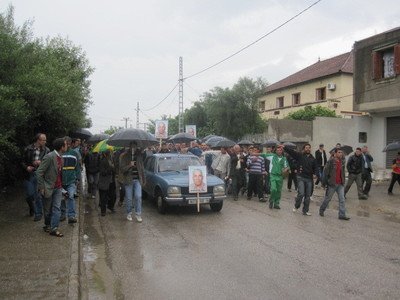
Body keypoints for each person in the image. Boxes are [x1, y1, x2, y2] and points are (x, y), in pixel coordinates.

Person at [36, 138, 68, 237]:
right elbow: (39, 172)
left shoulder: (61, 157)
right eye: (66, 145)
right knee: (47, 211)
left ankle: (54, 228)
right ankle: (47, 225)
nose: (67, 146)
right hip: (48, 187)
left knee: (56, 208)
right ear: (62, 147)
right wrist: (42, 187)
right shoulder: (49, 157)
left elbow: (59, 173)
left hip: (58, 188)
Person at [21, 133, 50, 221]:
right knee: (29, 195)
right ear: (38, 140)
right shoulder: (28, 149)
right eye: (43, 140)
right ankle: (32, 208)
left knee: (38, 195)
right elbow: (21, 161)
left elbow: (49, 162)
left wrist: (41, 162)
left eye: (45, 140)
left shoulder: (47, 150)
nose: (45, 141)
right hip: (29, 175)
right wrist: (27, 167)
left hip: (40, 175)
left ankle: (38, 214)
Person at [284, 143, 319, 216]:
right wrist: (284, 147)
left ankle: (305, 211)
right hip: (301, 177)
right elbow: (292, 152)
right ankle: (297, 206)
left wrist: (315, 174)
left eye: (309, 147)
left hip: (309, 179)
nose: (308, 149)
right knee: (301, 193)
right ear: (304, 149)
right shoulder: (300, 156)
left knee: (307, 196)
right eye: (306, 147)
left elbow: (316, 168)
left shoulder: (313, 159)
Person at [319, 148, 350, 220]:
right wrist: (323, 184)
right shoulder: (330, 161)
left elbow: (342, 172)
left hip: (340, 184)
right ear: (335, 154)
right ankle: (322, 209)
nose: (341, 154)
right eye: (339, 152)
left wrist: (343, 181)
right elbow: (325, 173)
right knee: (328, 199)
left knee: (342, 199)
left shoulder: (342, 162)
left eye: (341, 152)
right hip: (332, 184)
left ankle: (342, 215)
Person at [120, 143, 146, 222]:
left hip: (138, 180)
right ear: (129, 146)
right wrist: (129, 165)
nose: (133, 148)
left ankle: (138, 214)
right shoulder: (124, 156)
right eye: (132, 146)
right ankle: (129, 213)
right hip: (128, 180)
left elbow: (142, 168)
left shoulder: (139, 156)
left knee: (138, 196)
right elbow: (122, 169)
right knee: (128, 198)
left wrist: (144, 179)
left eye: (135, 146)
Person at [262, 145, 289, 209]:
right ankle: (271, 201)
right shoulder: (272, 156)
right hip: (273, 175)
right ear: (275, 151)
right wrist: (253, 154)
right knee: (274, 189)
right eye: (278, 150)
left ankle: (276, 204)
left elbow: (287, 167)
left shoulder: (284, 159)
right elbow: (263, 154)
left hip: (280, 176)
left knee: (278, 191)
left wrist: (286, 169)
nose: (279, 151)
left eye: (280, 150)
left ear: (282, 151)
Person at [61, 136, 80, 224]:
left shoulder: (74, 153)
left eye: (68, 143)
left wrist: (78, 178)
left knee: (71, 196)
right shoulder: (60, 153)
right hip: (61, 180)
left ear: (70, 144)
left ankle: (71, 216)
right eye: (65, 143)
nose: (66, 145)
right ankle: (62, 214)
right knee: (62, 198)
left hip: (71, 180)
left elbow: (77, 167)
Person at [98, 150, 115, 216]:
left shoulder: (111, 160)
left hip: (111, 181)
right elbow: (102, 172)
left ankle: (110, 207)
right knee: (103, 197)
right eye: (109, 153)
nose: (110, 154)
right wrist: (110, 169)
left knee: (112, 196)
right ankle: (103, 211)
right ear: (106, 154)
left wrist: (113, 168)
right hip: (104, 182)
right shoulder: (103, 161)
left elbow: (113, 170)